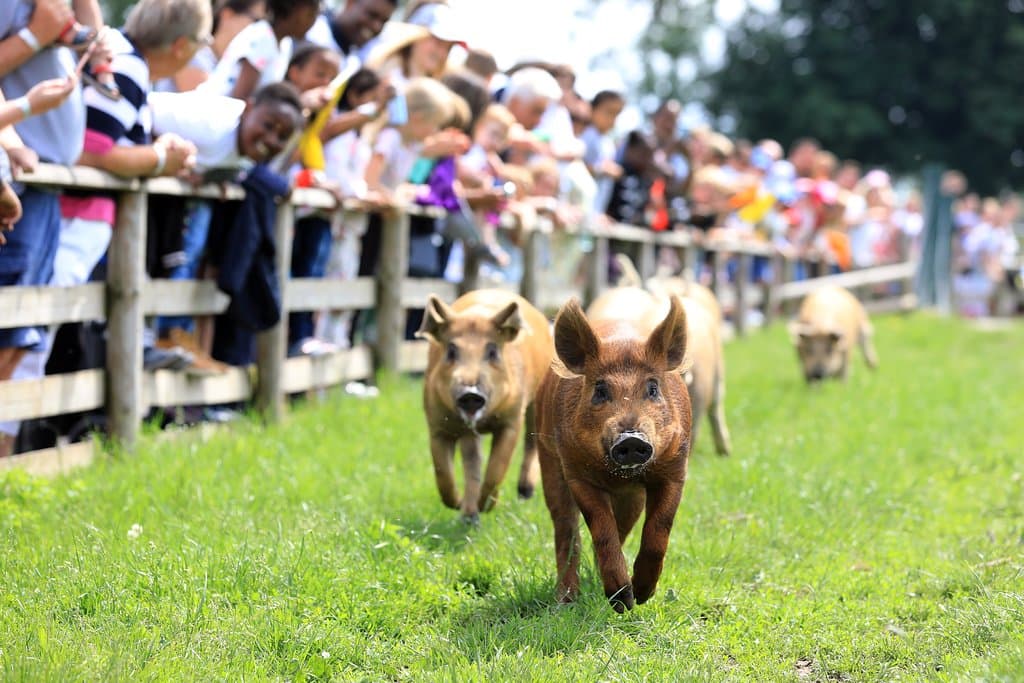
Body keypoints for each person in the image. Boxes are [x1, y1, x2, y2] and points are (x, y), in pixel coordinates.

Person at [200, 0, 319, 101]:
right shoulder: (262, 38)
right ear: (293, 10)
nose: (313, 21)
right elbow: (240, 99)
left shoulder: (285, 44)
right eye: (310, 14)